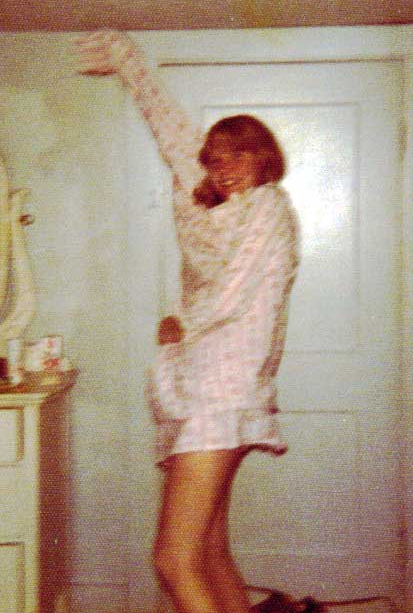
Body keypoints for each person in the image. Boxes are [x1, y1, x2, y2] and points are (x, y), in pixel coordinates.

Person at [76, 30, 300, 613]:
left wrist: (184, 322)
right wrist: (128, 63)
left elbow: (233, 292)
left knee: (173, 561)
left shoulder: (269, 207)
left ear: (265, 159)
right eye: (216, 156)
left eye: (241, 155)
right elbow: (173, 133)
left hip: (222, 392)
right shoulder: (209, 204)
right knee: (209, 550)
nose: (225, 166)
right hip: (199, 384)